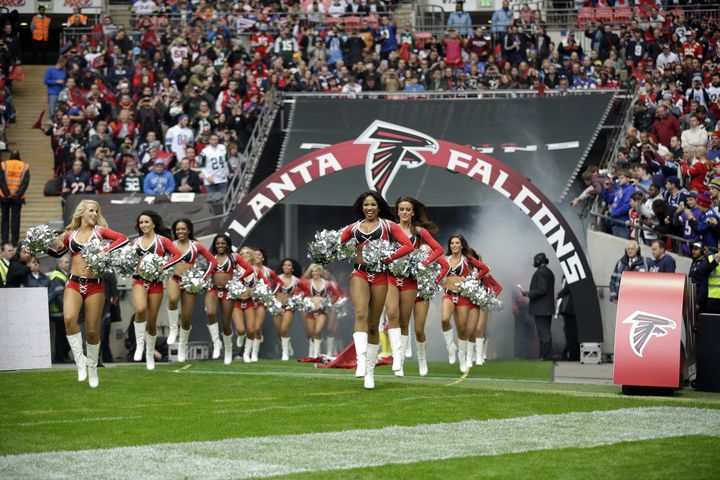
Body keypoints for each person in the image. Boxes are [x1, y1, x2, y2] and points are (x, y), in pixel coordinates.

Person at [47, 199, 128, 388]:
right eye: (91, 210)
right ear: (81, 212)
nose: (94, 214)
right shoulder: (70, 234)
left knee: (92, 331)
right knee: (69, 319)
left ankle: (92, 367)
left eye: (96, 211)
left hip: (95, 285)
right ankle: (80, 363)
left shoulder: (100, 232)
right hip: (74, 283)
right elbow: (58, 254)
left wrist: (104, 251)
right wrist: (41, 247)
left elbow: (122, 238)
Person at [338, 191, 414, 389]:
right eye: (366, 205)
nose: (369, 208)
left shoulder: (389, 226)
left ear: (379, 207)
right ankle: (361, 361)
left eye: (373, 205)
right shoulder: (354, 228)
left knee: (373, 325)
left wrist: (389, 258)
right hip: (360, 274)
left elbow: (407, 246)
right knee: (361, 313)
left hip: (381, 276)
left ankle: (370, 372)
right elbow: (336, 243)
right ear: (362, 208)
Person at [385, 197, 447, 377]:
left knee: (416, 327)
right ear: (397, 211)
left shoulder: (419, 232)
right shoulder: (390, 229)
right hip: (392, 278)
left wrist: (424, 263)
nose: (404, 212)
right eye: (401, 209)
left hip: (413, 281)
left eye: (408, 209)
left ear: (413, 213)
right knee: (392, 314)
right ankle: (399, 361)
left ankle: (421, 358)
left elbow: (439, 251)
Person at [130, 210, 183, 370]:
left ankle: (149, 353)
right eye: (141, 223)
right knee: (140, 310)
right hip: (139, 281)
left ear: (153, 223)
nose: (143, 225)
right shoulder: (135, 242)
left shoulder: (162, 241)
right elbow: (129, 260)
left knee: (152, 322)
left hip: (156, 284)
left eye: (146, 222)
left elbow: (178, 255)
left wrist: (163, 266)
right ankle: (140, 345)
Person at [166, 219, 217, 361]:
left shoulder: (196, 245)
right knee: (173, 299)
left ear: (189, 230)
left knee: (187, 317)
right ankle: (173, 329)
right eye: (177, 229)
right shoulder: (170, 244)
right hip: (174, 277)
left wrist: (204, 277)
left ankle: (183, 345)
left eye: (183, 229)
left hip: (190, 282)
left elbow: (213, 261)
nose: (180, 231)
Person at [442, 234, 490, 373]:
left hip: (463, 297)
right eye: (452, 243)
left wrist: (473, 279)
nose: (454, 245)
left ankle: (462, 359)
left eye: (457, 243)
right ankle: (450, 347)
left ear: (462, 245)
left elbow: (485, 268)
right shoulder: (445, 259)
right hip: (448, 295)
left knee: (463, 329)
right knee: (445, 319)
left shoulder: (467, 260)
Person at [205, 235, 253, 363]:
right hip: (213, 289)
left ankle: (228, 350)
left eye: (223, 243)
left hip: (228, 292)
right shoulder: (211, 257)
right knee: (210, 312)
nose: (220, 246)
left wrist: (237, 280)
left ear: (227, 245)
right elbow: (205, 271)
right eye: (217, 243)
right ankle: (216, 343)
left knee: (226, 324)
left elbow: (249, 269)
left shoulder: (234, 257)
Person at [301, 264, 340, 358]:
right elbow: (300, 293)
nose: (314, 273)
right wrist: (307, 301)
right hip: (310, 311)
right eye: (312, 271)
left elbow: (337, 294)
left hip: (322, 311)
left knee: (318, 331)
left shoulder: (327, 283)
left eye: (316, 271)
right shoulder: (307, 283)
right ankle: (311, 352)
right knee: (311, 332)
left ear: (320, 272)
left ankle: (316, 354)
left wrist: (329, 303)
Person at [522, 252, 555, 361]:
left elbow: (542, 289)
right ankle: (546, 355)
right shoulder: (549, 272)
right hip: (547, 308)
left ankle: (545, 357)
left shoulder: (540, 273)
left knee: (544, 334)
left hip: (541, 309)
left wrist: (528, 293)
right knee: (546, 333)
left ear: (538, 261)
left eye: (535, 260)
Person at [273, 258, 307, 361]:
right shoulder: (276, 278)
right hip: (277, 306)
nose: (286, 267)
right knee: (279, 331)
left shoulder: (296, 280)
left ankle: (285, 353)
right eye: (284, 265)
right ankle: (287, 344)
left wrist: (297, 299)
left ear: (292, 268)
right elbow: (270, 289)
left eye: (289, 265)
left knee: (284, 328)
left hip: (289, 307)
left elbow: (306, 290)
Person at [0, 151, 29, 247]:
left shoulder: (4, 164)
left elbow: (1, 181)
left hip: (5, 197)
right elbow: (25, 183)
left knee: (5, 219)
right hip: (18, 198)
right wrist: (16, 194)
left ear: (10, 156)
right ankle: (14, 242)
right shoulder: (25, 166)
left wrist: (8, 193)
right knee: (15, 220)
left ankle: (4, 240)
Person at [47, 255, 71, 363]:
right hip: (59, 311)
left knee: (63, 334)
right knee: (62, 335)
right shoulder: (57, 277)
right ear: (59, 263)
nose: (68, 264)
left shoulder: (62, 275)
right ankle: (61, 356)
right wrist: (65, 309)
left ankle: (62, 356)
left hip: (61, 310)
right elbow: (59, 296)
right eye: (66, 262)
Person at [556, 276, 578, 361]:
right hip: (569, 310)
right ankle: (570, 354)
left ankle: (573, 355)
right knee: (570, 333)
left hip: (570, 310)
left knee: (571, 334)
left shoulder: (571, 277)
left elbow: (567, 289)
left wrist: (558, 296)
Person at [689, 242, 714, 313]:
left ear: (702, 250)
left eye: (696, 249)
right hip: (692, 296)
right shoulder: (695, 262)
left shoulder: (705, 263)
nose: (693, 251)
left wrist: (698, 302)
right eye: (692, 249)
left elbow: (703, 284)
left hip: (699, 300)